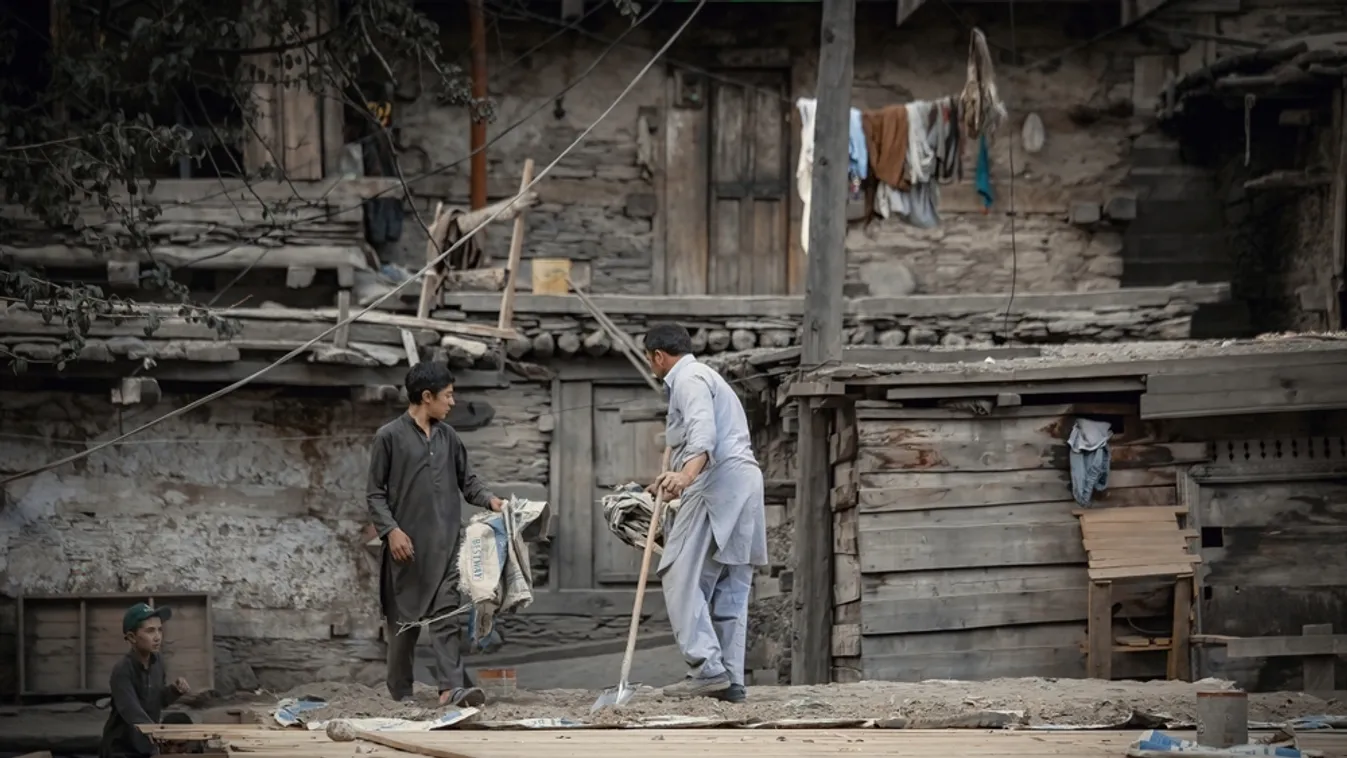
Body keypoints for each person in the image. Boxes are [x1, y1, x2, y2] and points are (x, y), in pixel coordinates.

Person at [367, 361, 505, 707]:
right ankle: (401, 694)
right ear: (426, 397)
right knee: (404, 627)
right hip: (407, 551)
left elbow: (467, 482)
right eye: (448, 395)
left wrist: (492, 501)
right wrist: (391, 531)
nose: (452, 402)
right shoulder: (388, 437)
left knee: (447, 618)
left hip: (446, 548)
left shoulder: (448, 437)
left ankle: (450, 689)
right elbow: (375, 494)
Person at [644, 323, 768, 704]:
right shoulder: (706, 375)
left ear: (658, 357)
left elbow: (704, 434)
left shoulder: (689, 379)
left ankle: (706, 669)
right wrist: (668, 479)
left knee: (679, 572)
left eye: (651, 360)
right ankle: (730, 681)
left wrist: (685, 475)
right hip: (744, 482)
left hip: (715, 482)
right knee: (731, 584)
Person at [100, 603, 192, 758]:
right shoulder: (123, 670)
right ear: (132, 637)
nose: (157, 637)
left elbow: (158, 700)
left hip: (145, 747)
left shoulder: (158, 662)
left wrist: (175, 690)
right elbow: (129, 709)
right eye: (150, 631)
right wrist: (153, 730)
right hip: (121, 749)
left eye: (160, 629)